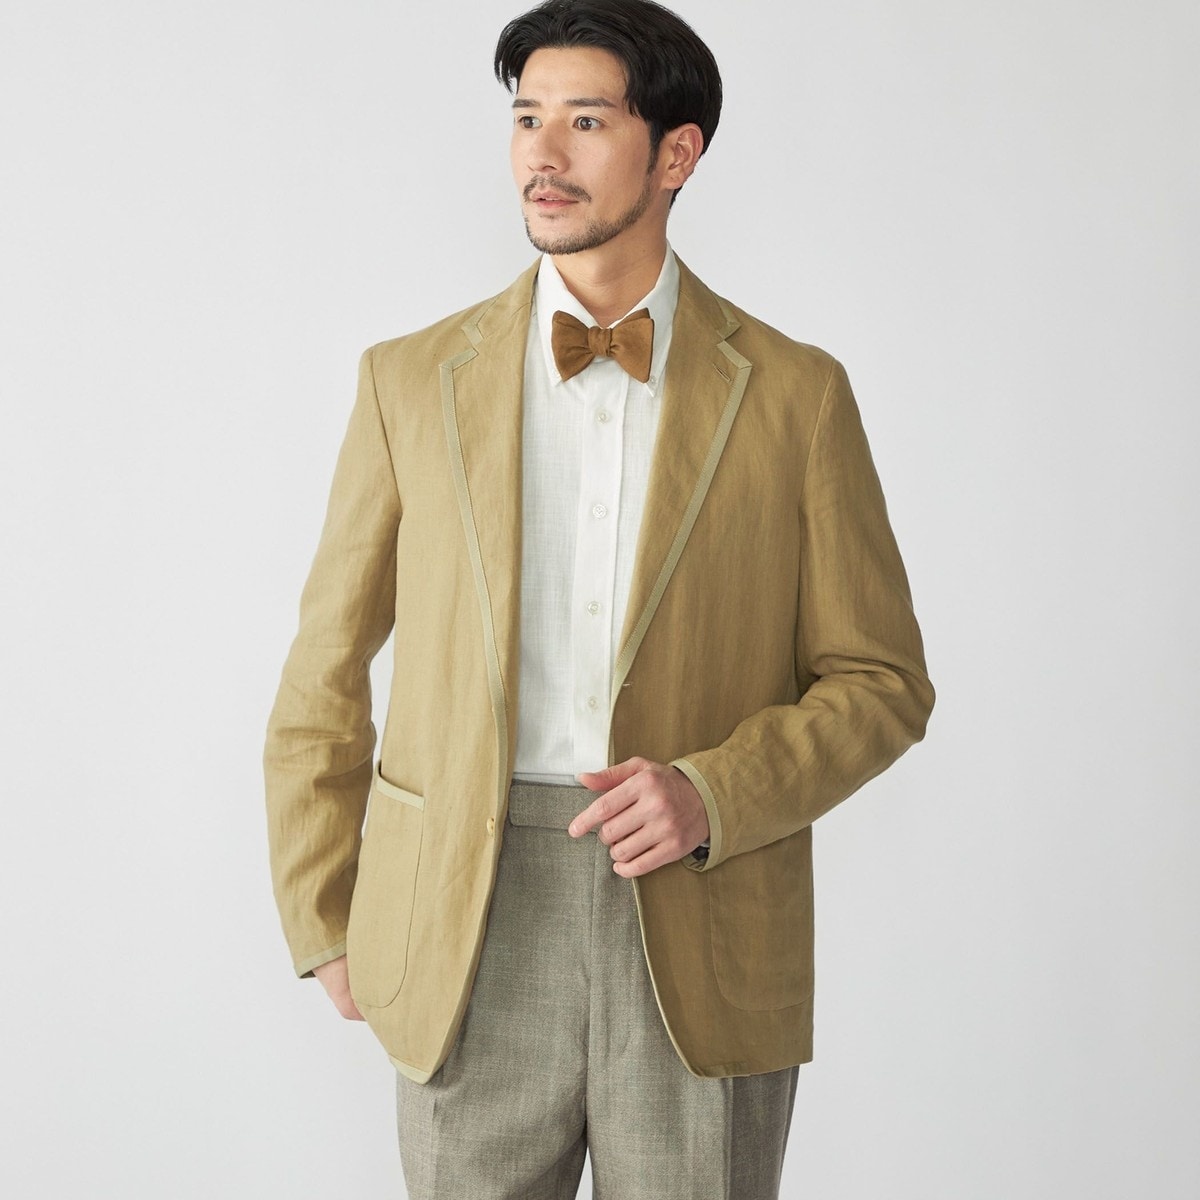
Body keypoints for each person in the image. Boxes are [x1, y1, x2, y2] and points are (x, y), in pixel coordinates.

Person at [263, 1, 934, 1195]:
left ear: (677, 153)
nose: (543, 153)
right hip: (467, 917)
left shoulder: (797, 396)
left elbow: (881, 683)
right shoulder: (409, 382)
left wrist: (712, 793)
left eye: (585, 121)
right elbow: (325, 666)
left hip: (702, 921)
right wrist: (322, 915)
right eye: (526, 119)